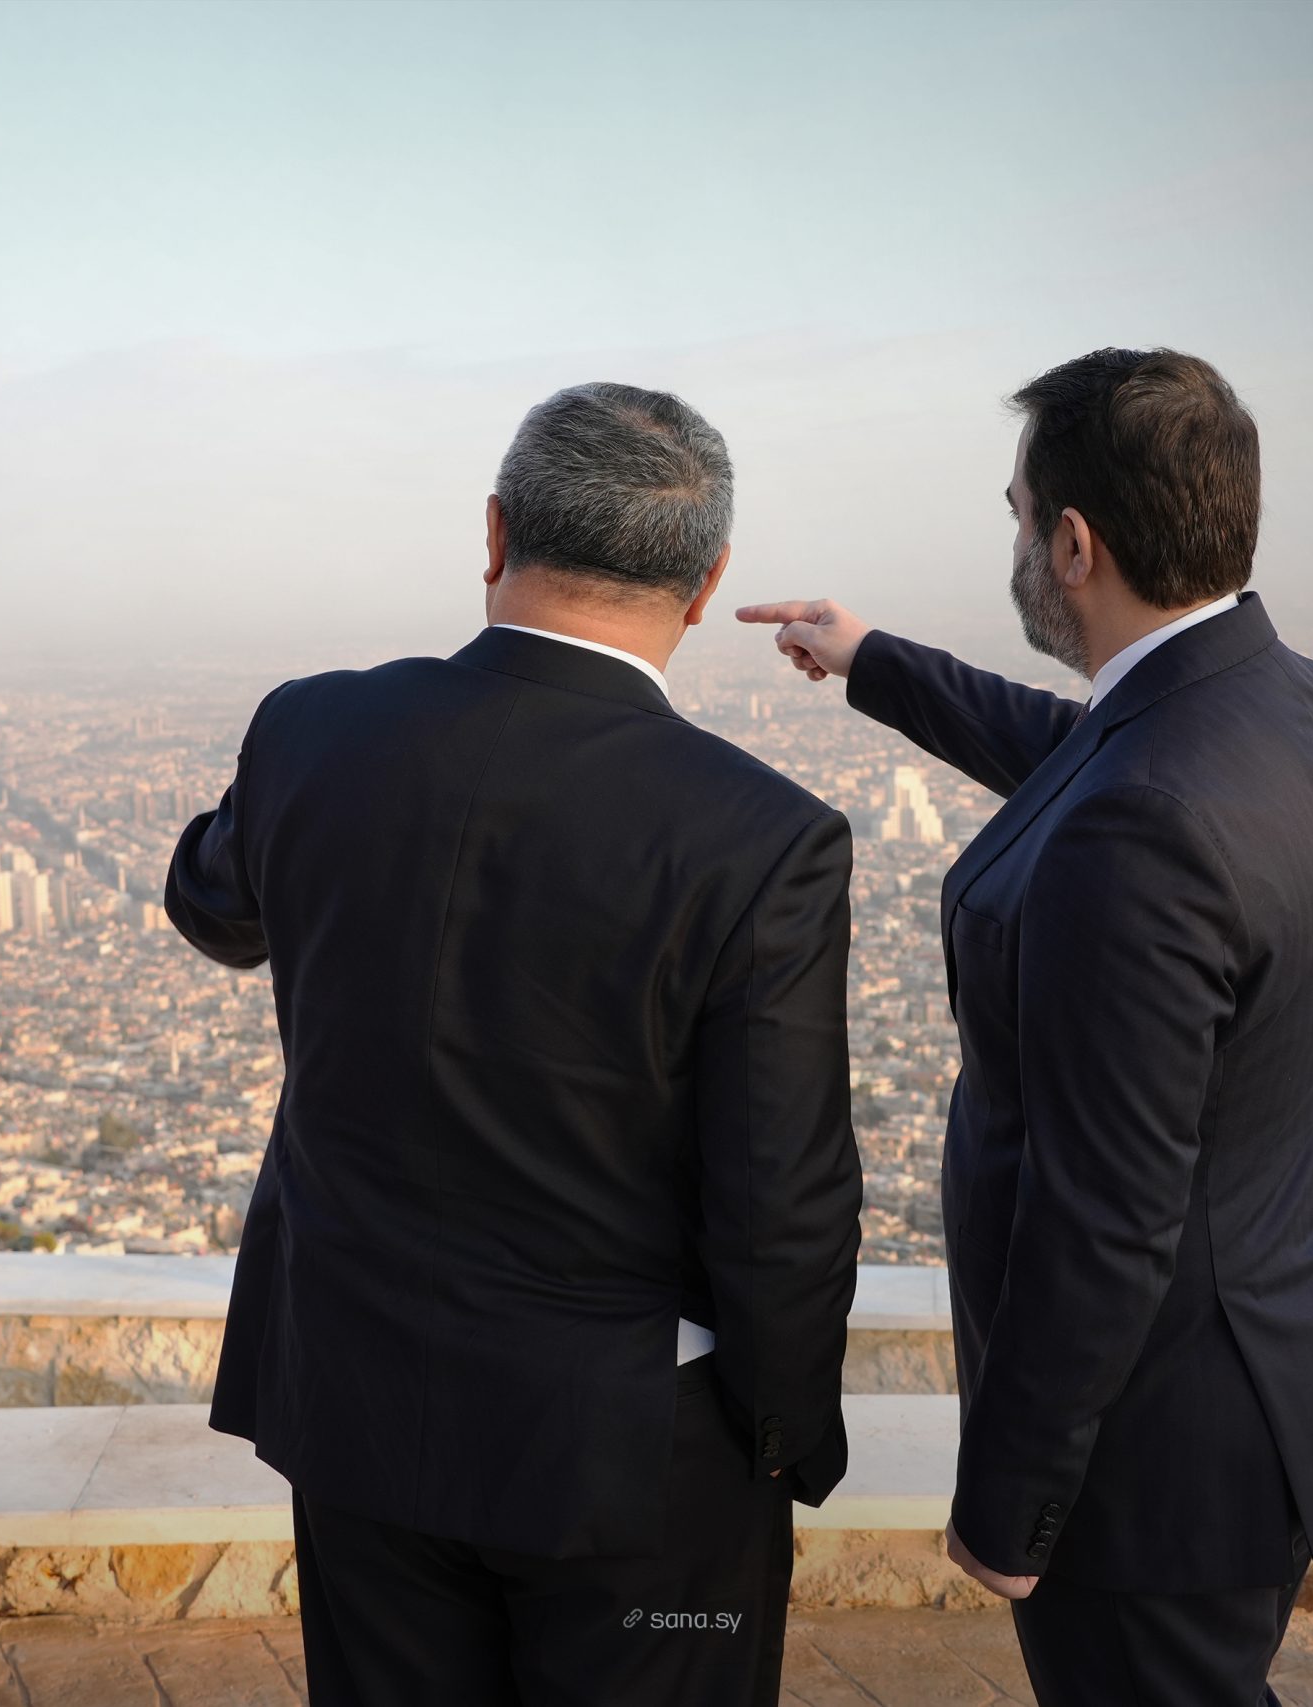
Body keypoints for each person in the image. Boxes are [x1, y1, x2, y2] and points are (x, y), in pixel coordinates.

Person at [169, 382, 861, 1707]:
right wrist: (786, 1439)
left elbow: (212, 902)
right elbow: (786, 1198)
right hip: (629, 1453)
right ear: (708, 584)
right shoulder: (759, 837)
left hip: (357, 1407)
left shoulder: (312, 729)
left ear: (494, 533)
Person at [739, 348, 1313, 1706]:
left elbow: (1107, 1209)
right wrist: (877, 663)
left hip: (1156, 1465)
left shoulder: (1143, 826)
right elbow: (1088, 758)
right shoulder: (1279, 701)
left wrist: (1013, 1504)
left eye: (1018, 514)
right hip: (1279, 1375)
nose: (1015, 543)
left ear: (1076, 544)